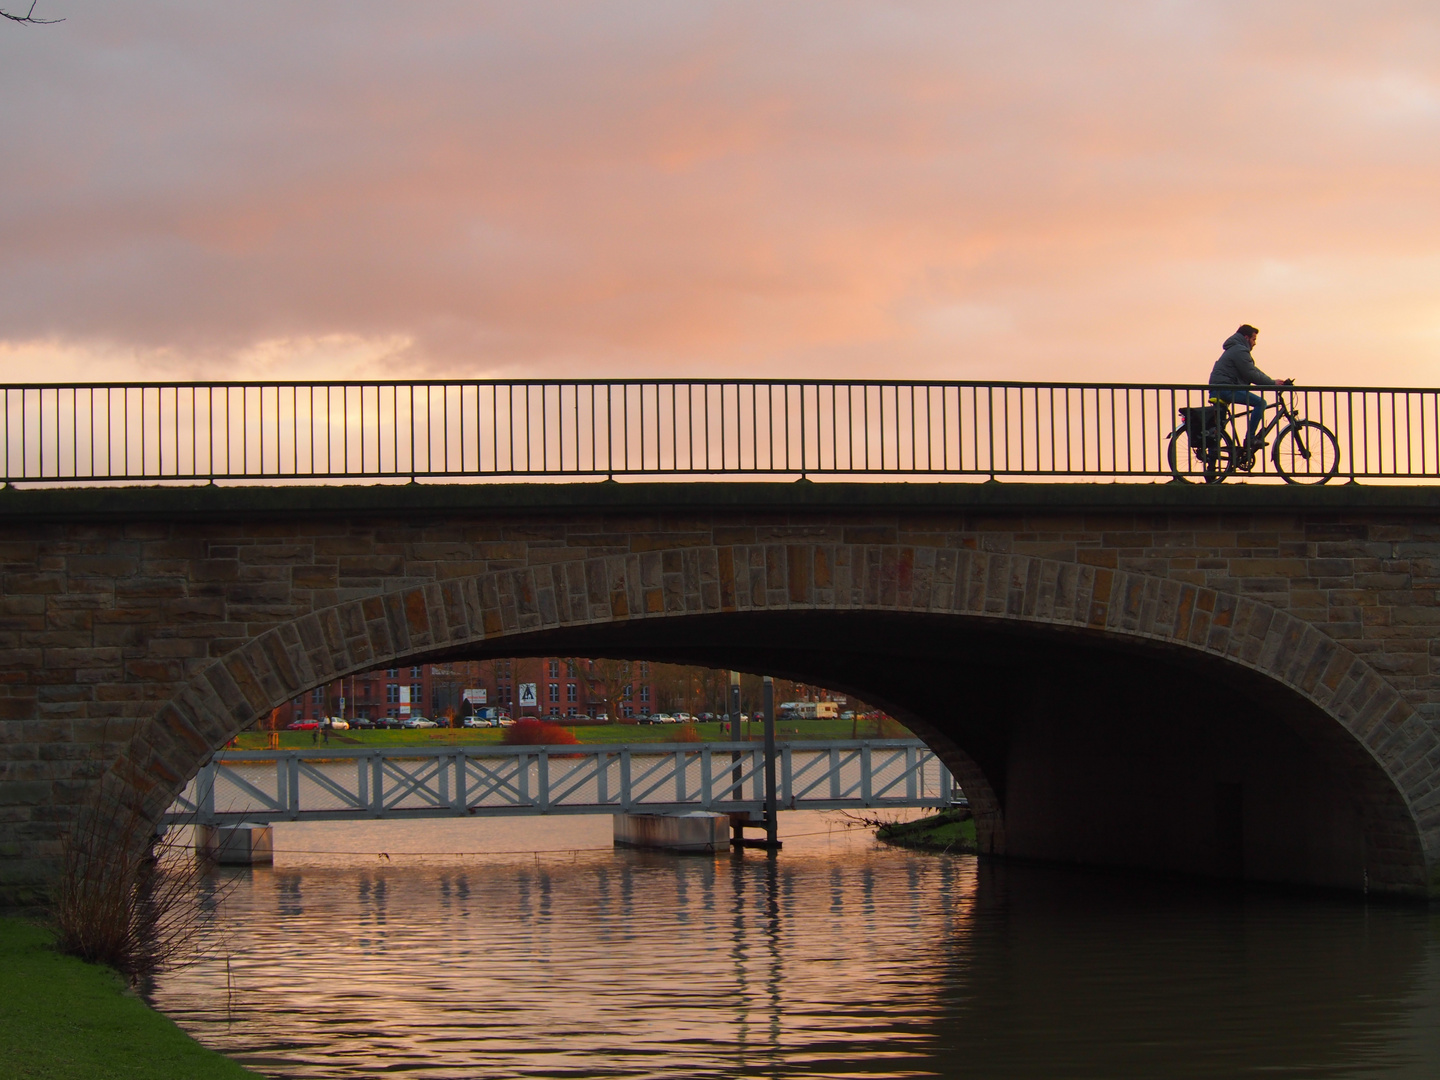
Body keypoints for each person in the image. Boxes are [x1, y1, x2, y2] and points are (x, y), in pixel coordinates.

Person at [1208, 324, 1291, 450]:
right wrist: (1272, 383)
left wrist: (1272, 381)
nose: (1255, 343)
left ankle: (1212, 465)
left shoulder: (1236, 350)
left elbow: (1253, 370)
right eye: (1254, 339)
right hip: (1225, 389)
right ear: (1246, 337)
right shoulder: (1239, 350)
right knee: (1260, 403)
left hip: (1221, 388)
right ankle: (1250, 439)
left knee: (1218, 429)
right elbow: (1250, 374)